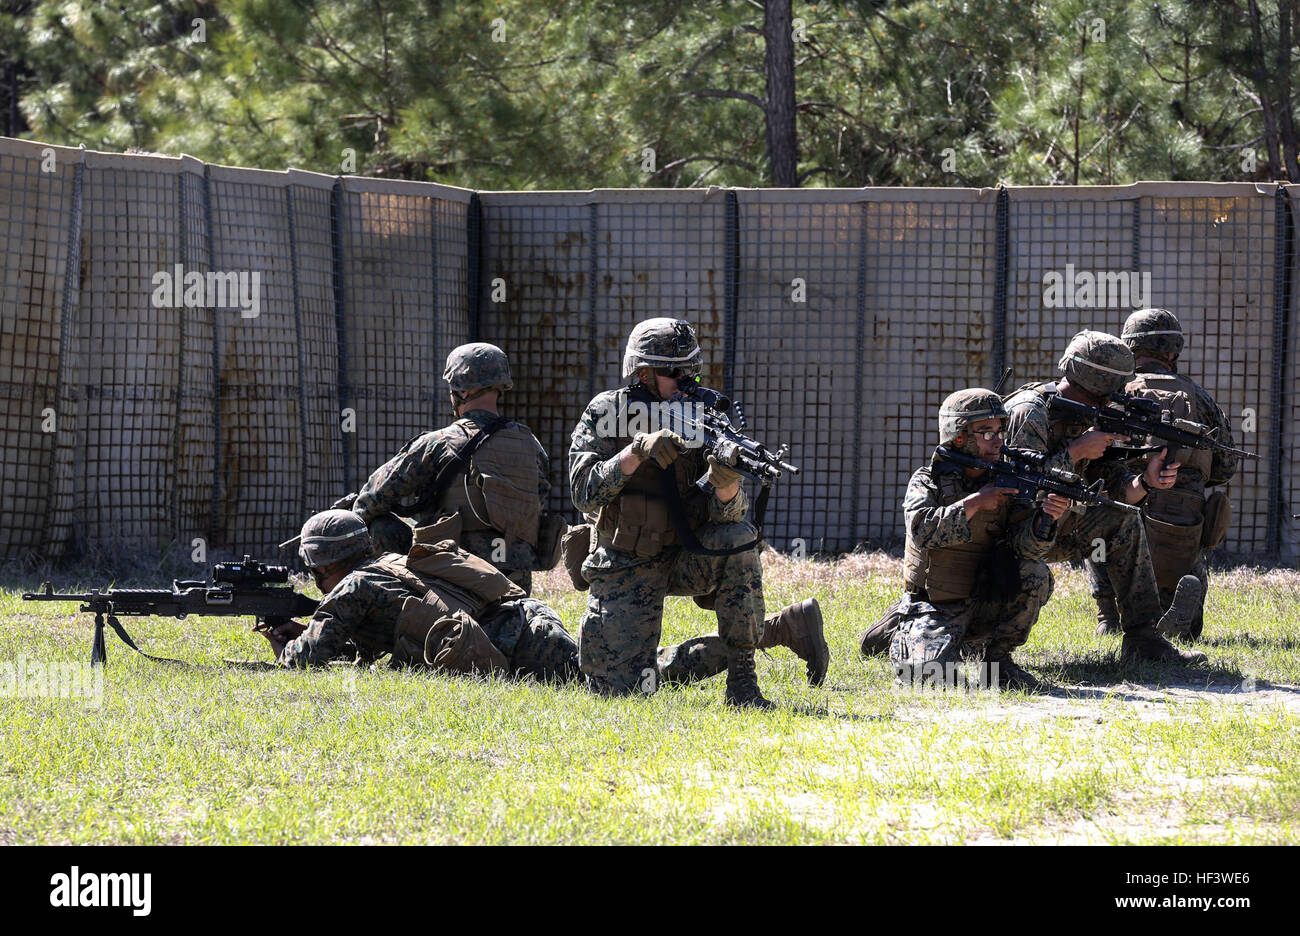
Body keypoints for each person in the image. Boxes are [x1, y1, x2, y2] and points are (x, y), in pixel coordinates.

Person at [265, 510, 823, 694]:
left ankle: (777, 630)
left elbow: (308, 660)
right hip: (526, 625)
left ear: (326, 564)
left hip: (526, 645)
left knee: (631, 680)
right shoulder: (388, 567)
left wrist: (281, 640)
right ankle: (777, 629)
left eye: (314, 569)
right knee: (629, 672)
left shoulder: (354, 588)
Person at [568, 317, 828, 707]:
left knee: (739, 539)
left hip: (688, 555)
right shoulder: (608, 412)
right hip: (625, 560)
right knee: (620, 690)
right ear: (642, 373)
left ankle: (743, 681)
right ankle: (780, 629)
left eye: (692, 370)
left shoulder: (707, 416)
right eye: (674, 372)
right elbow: (583, 494)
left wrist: (726, 484)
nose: (687, 380)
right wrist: (635, 452)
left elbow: (729, 520)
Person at [1002, 330, 1207, 665]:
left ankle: (1145, 641)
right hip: (1009, 534)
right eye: (1102, 395)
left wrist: (1147, 481)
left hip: (1054, 528)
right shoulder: (1031, 412)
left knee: (1124, 517)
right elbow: (1016, 488)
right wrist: (1076, 451)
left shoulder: (1089, 415)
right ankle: (988, 649)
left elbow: (1113, 485)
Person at [884, 389, 1069, 691]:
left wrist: (1046, 518)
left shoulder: (1007, 481)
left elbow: (1026, 550)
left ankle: (998, 662)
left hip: (984, 600)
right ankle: (900, 629)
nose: (998, 441)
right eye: (986, 433)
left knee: (1035, 574)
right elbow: (922, 530)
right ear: (959, 437)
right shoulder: (927, 480)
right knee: (927, 681)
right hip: (935, 606)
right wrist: (975, 504)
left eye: (1000, 432)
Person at [350, 343, 555, 594]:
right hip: (516, 581)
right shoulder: (529, 443)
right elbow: (539, 498)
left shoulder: (438, 443)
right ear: (501, 387)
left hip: (453, 575)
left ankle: (385, 606)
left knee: (379, 525)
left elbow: (372, 499)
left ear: (462, 391)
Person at [1086, 309, 1240, 642]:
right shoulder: (1199, 396)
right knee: (1204, 525)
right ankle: (1186, 611)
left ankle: (1108, 615)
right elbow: (1226, 465)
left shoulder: (1115, 393)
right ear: (1172, 353)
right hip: (1183, 520)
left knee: (1094, 511)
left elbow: (1089, 455)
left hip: (1129, 507)